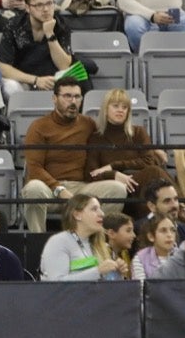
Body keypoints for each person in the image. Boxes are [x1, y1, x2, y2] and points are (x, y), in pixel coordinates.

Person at [21, 76, 128, 231]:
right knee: (33, 188)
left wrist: (150, 148)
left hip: (81, 188)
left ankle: (94, 239)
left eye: (77, 96)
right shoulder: (38, 126)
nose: (73, 101)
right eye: (67, 96)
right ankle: (37, 242)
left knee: (118, 189)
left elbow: (113, 141)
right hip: (49, 189)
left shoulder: (88, 124)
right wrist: (60, 190)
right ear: (54, 99)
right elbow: (34, 168)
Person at [88, 88, 170, 216]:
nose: (120, 110)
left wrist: (115, 165)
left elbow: (149, 161)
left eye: (124, 107)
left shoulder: (138, 132)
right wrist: (114, 174)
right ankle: (181, 211)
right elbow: (92, 173)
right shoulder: (96, 138)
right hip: (118, 190)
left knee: (153, 172)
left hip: (141, 185)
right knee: (155, 174)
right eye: (115, 106)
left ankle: (159, 217)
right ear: (106, 109)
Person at [40, 193, 124, 280]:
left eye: (100, 209)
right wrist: (98, 271)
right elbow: (57, 283)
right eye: (94, 209)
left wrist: (117, 273)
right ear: (77, 215)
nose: (102, 213)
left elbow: (108, 285)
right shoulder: (58, 242)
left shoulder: (102, 246)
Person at [133, 211, 181, 279]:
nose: (169, 235)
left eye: (173, 230)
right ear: (151, 237)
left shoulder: (184, 257)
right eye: (163, 230)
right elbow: (141, 287)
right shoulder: (140, 259)